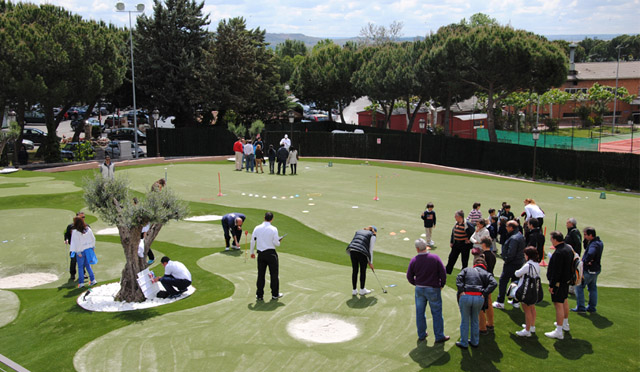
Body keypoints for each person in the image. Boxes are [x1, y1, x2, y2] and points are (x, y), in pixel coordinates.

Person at [406, 238, 450, 343]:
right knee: (437, 313)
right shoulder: (434, 258)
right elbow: (443, 273)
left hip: (420, 289)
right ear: (426, 246)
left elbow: (409, 276)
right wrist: (441, 284)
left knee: (420, 312)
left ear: (417, 249)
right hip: (433, 288)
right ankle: (439, 336)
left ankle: (421, 334)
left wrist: (416, 283)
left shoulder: (414, 260)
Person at [455, 257, 497, 349]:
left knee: (465, 320)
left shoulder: (466, 270)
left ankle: (464, 342)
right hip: (479, 298)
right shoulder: (487, 273)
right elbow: (494, 283)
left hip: (466, 296)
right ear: (484, 265)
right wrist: (485, 293)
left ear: (474, 264)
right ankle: (474, 341)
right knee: (475, 320)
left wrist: (461, 291)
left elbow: (459, 278)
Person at [545, 231, 574, 339]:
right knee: (564, 300)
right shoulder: (568, 248)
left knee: (558, 305)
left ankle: (559, 330)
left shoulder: (559, 252)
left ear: (555, 239)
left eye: (551, 239)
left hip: (559, 283)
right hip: (566, 281)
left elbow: (556, 271)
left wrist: (552, 285)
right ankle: (565, 324)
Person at [250, 212, 285, 300]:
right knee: (274, 274)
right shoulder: (273, 229)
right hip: (271, 254)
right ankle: (274, 294)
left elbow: (252, 241)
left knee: (261, 274)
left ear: (264, 217)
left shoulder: (257, 228)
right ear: (272, 219)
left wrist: (252, 252)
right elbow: (276, 243)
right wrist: (279, 241)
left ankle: (259, 295)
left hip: (261, 254)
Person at [493, 220, 526, 309]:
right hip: (518, 263)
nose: (506, 228)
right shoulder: (519, 235)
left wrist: (506, 260)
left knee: (503, 281)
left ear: (511, 227)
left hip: (511, 263)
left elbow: (511, 253)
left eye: (507, 226)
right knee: (515, 282)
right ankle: (515, 301)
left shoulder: (514, 238)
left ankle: (500, 301)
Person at [572, 227, 604, 313]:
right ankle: (592, 307)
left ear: (591, 235)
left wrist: (585, 262)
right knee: (592, 287)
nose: (584, 236)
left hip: (588, 270)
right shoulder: (599, 242)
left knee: (579, 286)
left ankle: (581, 308)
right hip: (596, 269)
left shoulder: (593, 244)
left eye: (585, 235)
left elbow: (590, 253)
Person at [514, 246, 541, 337]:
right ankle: (531, 326)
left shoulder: (527, 265)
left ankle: (527, 330)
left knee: (527, 310)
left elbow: (517, 273)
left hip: (526, 290)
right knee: (532, 308)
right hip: (534, 290)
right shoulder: (537, 264)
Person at [346, 226, 377, 295]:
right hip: (361, 252)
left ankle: (354, 290)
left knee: (355, 270)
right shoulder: (372, 235)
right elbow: (370, 250)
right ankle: (362, 290)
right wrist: (370, 262)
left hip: (352, 250)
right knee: (362, 271)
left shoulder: (359, 231)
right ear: (374, 231)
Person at [69, 216, 97, 288]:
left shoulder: (75, 232)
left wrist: (77, 252)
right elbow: (93, 238)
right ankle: (93, 280)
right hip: (88, 250)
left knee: (80, 267)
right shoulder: (88, 229)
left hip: (81, 251)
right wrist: (93, 247)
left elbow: (75, 242)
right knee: (88, 265)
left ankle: (81, 283)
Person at [446, 210, 474, 274]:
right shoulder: (456, 223)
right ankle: (448, 271)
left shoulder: (467, 224)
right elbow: (453, 232)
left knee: (464, 260)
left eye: (456, 216)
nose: (454, 217)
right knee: (451, 258)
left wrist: (470, 240)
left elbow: (473, 233)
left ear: (460, 217)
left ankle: (464, 273)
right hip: (456, 243)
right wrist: (451, 241)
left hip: (464, 244)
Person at [478, 238, 496, 334]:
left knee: (480, 304)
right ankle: (490, 323)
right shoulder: (493, 255)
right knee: (489, 302)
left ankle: (482, 326)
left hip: (483, 281)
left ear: (484, 244)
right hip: (490, 278)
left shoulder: (483, 256)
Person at [64, 212, 87, 281]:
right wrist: (66, 240)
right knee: (73, 260)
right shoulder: (71, 226)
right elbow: (67, 234)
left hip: (83, 247)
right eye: (81, 217)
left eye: (83, 217)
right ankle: (72, 274)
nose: (83, 218)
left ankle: (83, 273)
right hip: (73, 247)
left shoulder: (86, 226)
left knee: (82, 260)